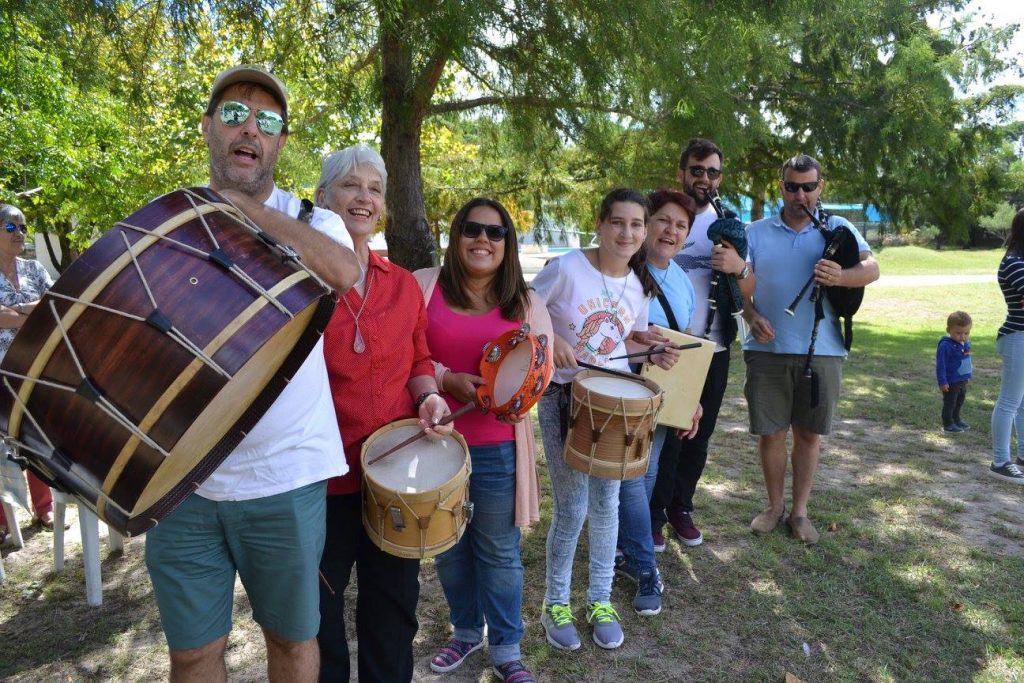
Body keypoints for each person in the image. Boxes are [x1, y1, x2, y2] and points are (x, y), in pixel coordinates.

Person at [143, 65, 360, 683]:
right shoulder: (169, 220)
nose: (250, 130)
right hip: (181, 478)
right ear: (208, 126)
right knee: (191, 654)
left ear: (280, 142)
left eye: (267, 122)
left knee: (291, 643)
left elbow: (344, 273)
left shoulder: (314, 219)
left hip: (284, 475)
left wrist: (238, 206)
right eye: (235, 114)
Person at [314, 144, 451, 682]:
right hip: (320, 480)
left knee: (393, 607)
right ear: (323, 197)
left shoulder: (401, 284)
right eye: (350, 185)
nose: (363, 198)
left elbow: (419, 359)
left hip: (394, 477)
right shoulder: (297, 282)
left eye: (374, 189)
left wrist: (428, 396)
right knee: (317, 615)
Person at [533, 188, 679, 651]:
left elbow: (620, 345)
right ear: (600, 223)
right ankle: (555, 603)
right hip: (562, 397)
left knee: (607, 504)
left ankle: (599, 600)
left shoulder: (638, 285)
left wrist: (651, 350)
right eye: (618, 222)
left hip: (613, 401)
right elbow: (523, 308)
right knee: (572, 506)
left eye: (636, 225)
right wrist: (550, 338)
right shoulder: (567, 268)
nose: (627, 232)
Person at [414, 197, 552, 683]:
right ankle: (467, 632)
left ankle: (508, 648)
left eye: (496, 232)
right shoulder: (423, 286)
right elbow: (406, 354)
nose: (483, 240)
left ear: (508, 243)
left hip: (498, 446)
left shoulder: (527, 303)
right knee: (449, 547)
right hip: (438, 444)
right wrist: (446, 379)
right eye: (472, 229)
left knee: (498, 550)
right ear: (456, 236)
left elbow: (539, 372)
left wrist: (515, 393)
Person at [743, 154, 879, 545]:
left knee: (808, 435)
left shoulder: (838, 228)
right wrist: (751, 316)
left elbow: (872, 268)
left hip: (824, 350)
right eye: (791, 187)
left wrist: (842, 275)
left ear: (821, 187)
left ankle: (799, 513)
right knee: (771, 434)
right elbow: (740, 283)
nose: (799, 195)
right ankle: (774, 507)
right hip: (767, 349)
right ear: (781, 187)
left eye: (808, 187)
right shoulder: (755, 232)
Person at [656, 138, 751, 550]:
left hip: (712, 345)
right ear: (682, 171)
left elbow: (749, 287)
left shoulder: (730, 222)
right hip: (665, 343)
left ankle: (681, 507)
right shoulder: (667, 216)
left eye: (713, 172)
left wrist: (739, 266)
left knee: (699, 433)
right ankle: (653, 512)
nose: (704, 179)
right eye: (697, 170)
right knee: (661, 430)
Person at [615, 189, 701, 617]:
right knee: (625, 475)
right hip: (621, 390)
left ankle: (626, 546)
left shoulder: (682, 281)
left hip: (662, 397)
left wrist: (691, 401)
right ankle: (635, 555)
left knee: (646, 473)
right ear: (647, 223)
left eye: (681, 225)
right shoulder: (624, 271)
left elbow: (687, 346)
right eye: (664, 220)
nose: (671, 231)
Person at [0, 203, 58, 544]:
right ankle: (4, 520)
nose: (20, 233)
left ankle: (44, 507)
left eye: (23, 227)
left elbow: (53, 304)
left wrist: (13, 311)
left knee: (36, 437)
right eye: (11, 227)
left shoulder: (34, 268)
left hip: (37, 367)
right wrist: (29, 312)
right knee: (1, 445)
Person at [990, 208, 1024, 484]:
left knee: (1022, 403)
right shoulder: (1014, 262)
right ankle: (1000, 461)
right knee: (1010, 401)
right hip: (1017, 337)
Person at [936, 310, 973, 433]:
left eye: (966, 333)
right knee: (950, 402)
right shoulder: (945, 346)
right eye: (958, 333)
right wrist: (942, 382)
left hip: (962, 379)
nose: (963, 336)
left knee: (959, 401)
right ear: (948, 330)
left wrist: (967, 375)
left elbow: (966, 360)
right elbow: (941, 365)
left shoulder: (965, 343)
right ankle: (948, 423)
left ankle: (956, 419)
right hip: (951, 380)